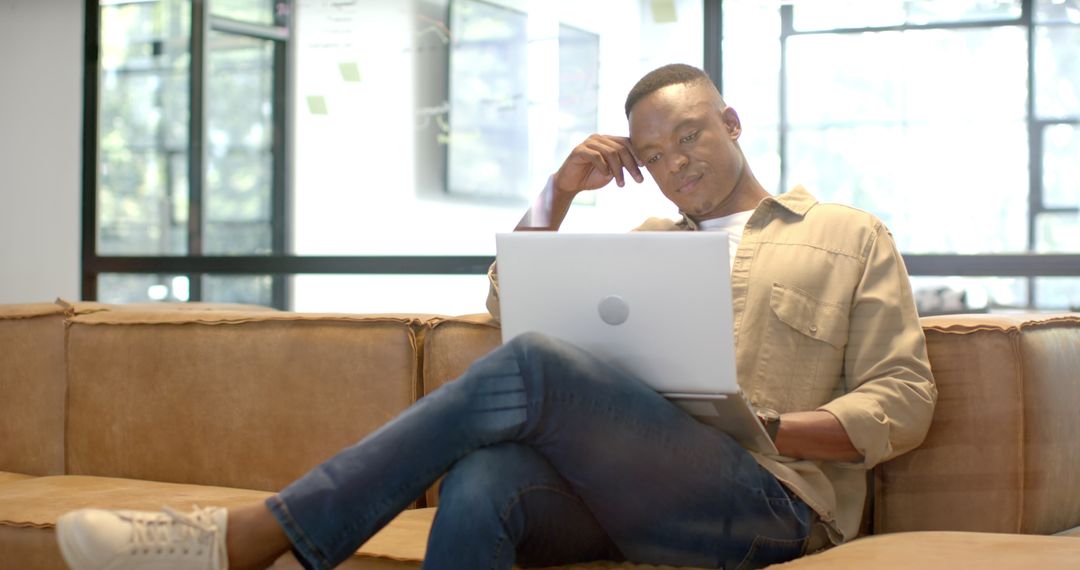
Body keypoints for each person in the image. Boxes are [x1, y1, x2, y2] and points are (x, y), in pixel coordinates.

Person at [56, 63, 936, 570]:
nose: (677, 164)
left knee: (544, 368)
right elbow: (511, 307)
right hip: (636, 493)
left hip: (775, 505)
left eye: (693, 137)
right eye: (657, 155)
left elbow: (905, 395)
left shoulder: (846, 233)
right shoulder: (643, 242)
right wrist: (555, 197)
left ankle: (263, 533)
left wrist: (778, 425)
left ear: (732, 122)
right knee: (485, 480)